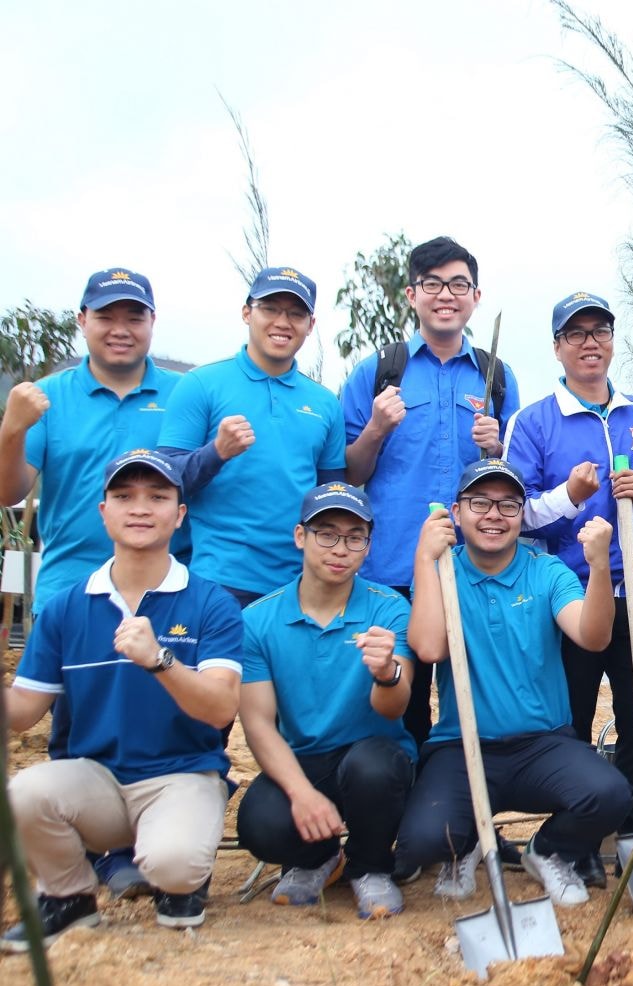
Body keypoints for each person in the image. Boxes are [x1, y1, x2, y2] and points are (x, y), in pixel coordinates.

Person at [2, 450, 242, 949]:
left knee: (174, 866)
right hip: (97, 778)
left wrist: (159, 660)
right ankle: (69, 898)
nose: (140, 508)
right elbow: (24, 713)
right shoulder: (68, 606)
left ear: (180, 515)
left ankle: (184, 876)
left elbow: (220, 708)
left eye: (157, 497)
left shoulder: (210, 602)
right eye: (124, 496)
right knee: (23, 794)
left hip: (181, 772)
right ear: (103, 511)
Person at [0, 267, 187, 900]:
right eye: (106, 316)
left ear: (151, 325)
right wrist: (12, 426)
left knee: (154, 709)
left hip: (159, 588)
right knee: (73, 720)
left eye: (134, 316)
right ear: (82, 321)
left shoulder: (182, 395)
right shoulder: (47, 397)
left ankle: (143, 839)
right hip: (70, 591)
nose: (120, 329)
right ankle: (75, 843)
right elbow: (10, 492)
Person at [394, 458, 631, 905]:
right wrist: (424, 559)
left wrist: (600, 568)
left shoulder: (546, 571)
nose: (493, 515)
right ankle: (462, 848)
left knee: (611, 794)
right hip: (462, 745)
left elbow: (592, 635)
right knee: (424, 838)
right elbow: (428, 649)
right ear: (457, 511)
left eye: (508, 505)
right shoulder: (443, 570)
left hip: (542, 744)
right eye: (479, 502)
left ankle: (546, 851)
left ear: (522, 515)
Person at [502, 291, 633, 888]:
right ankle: (572, 840)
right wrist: (571, 497)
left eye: (599, 331)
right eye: (575, 334)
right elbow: (516, 514)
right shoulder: (533, 421)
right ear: (557, 347)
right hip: (568, 599)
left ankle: (632, 831)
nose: (589, 343)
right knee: (570, 725)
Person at [340, 236, 519, 750]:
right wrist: (375, 428)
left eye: (459, 284)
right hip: (392, 569)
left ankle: (460, 821)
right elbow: (347, 476)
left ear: (476, 296)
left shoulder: (497, 377)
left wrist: (495, 449)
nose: (447, 294)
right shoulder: (378, 371)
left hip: (474, 569)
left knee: (472, 703)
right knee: (400, 707)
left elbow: (507, 482)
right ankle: (406, 820)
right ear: (412, 295)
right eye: (434, 284)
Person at [236, 483, 417, 920]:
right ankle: (317, 857)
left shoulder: (389, 607)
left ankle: (370, 865)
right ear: (301, 536)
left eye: (355, 537)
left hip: (371, 752)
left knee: (372, 770)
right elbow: (258, 723)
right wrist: (300, 793)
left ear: (368, 546)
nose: (341, 549)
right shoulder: (259, 619)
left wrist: (386, 674)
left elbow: (395, 707)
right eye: (327, 534)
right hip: (305, 758)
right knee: (259, 825)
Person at [158, 267, 346, 606]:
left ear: (311, 325)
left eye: (296, 313)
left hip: (301, 586)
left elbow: (331, 500)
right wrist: (217, 452)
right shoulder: (201, 385)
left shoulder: (325, 402)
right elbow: (162, 485)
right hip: (219, 583)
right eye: (270, 308)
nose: (283, 321)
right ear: (247, 313)